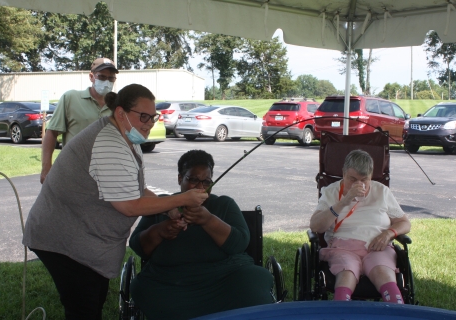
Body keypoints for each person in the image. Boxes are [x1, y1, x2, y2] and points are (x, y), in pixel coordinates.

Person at [23, 84, 208, 320]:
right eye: (143, 116)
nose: (150, 123)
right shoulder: (108, 143)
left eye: (153, 117)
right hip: (63, 239)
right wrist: (182, 198)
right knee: (83, 308)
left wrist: (170, 207)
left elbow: (134, 188)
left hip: (82, 237)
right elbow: (129, 205)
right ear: (120, 113)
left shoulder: (126, 137)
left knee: (93, 300)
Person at [129, 149, 273, 320]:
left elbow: (240, 243)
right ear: (180, 178)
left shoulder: (224, 204)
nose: (200, 187)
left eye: (206, 182)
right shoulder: (161, 204)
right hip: (169, 283)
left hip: (226, 278)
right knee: (144, 290)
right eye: (193, 179)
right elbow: (138, 246)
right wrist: (160, 231)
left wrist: (208, 220)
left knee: (252, 286)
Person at [310, 149, 411, 303]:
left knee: (383, 272)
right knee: (347, 273)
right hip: (343, 247)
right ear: (343, 173)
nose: (359, 184)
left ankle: (397, 311)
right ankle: (342, 312)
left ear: (371, 176)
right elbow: (316, 226)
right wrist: (345, 200)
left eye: (364, 179)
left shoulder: (381, 191)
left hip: (378, 246)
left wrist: (389, 234)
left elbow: (404, 223)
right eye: (352, 179)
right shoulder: (331, 192)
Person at [41, 57, 119, 184]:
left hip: (106, 175)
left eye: (111, 78)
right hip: (73, 172)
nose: (106, 82)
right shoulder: (71, 98)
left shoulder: (118, 106)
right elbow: (52, 133)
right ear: (91, 76)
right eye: (102, 77)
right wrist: (46, 168)